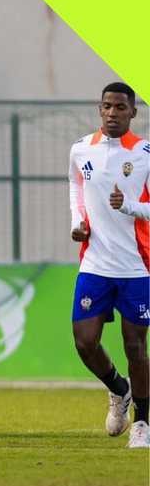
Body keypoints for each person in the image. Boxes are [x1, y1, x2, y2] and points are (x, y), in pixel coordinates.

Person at [67, 81, 149, 448]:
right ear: (100, 109)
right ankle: (118, 389)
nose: (112, 113)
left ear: (133, 112)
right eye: (106, 106)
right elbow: (75, 187)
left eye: (120, 107)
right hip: (95, 262)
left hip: (135, 265)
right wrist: (77, 222)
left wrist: (129, 206)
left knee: (135, 346)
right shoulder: (81, 149)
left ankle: (143, 424)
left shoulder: (146, 153)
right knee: (85, 341)